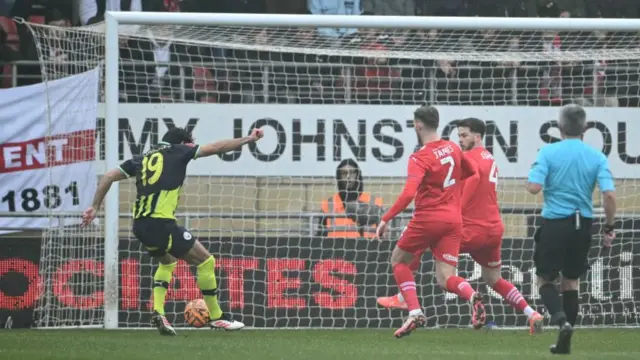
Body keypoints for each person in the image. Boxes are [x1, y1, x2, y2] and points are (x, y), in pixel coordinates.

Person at [81, 127, 264, 335]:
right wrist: (248, 139)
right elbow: (216, 147)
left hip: (140, 225)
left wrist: (95, 206)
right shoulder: (179, 151)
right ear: (184, 143)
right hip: (161, 223)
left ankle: (158, 311)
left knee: (167, 261)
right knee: (206, 261)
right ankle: (217, 317)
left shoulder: (141, 159)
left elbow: (108, 176)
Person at [377, 117, 544, 334]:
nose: (461, 140)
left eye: (464, 135)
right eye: (459, 136)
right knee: (494, 279)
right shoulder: (490, 158)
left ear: (478, 136)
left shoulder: (468, 158)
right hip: (493, 229)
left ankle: (404, 297)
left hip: (471, 230)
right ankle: (531, 313)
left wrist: (456, 207)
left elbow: (473, 179)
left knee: (421, 253)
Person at [376, 106, 484, 338]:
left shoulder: (420, 157)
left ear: (418, 125)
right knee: (446, 278)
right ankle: (472, 295)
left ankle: (414, 310)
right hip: (453, 221)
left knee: (398, 260)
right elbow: (472, 171)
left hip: (427, 219)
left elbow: (408, 195)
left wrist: (385, 219)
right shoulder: (453, 147)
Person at [527, 104, 616, 354]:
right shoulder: (596, 156)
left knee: (545, 278)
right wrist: (609, 227)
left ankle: (560, 320)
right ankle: (565, 340)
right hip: (583, 224)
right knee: (572, 281)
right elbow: (609, 194)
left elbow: (534, 187)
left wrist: (535, 178)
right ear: (585, 128)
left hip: (555, 222)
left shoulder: (548, 152)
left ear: (559, 127)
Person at [318, 159, 384, 238]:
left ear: (357, 175)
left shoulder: (374, 202)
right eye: (344, 173)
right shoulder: (328, 204)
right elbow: (320, 235)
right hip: (336, 248)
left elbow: (383, 235)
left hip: (367, 248)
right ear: (339, 177)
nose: (348, 177)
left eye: (352, 173)